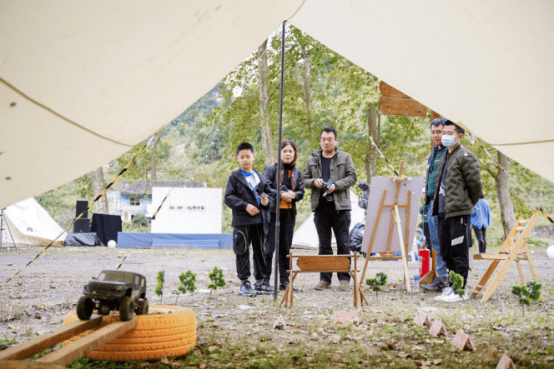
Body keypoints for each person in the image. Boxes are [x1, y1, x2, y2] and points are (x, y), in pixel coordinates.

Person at [432, 121, 482, 302]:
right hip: (442, 211)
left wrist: (466, 204)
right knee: (445, 251)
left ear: (459, 136)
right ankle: (452, 286)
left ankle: (461, 289)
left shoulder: (466, 156)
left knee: (458, 251)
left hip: (459, 212)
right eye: (443, 132)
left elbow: (476, 186)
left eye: (449, 132)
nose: (444, 135)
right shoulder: (444, 156)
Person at [303, 126, 357, 291]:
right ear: (320, 141)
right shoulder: (312, 159)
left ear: (335, 140)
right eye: (324, 139)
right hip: (320, 207)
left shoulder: (345, 157)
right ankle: (325, 279)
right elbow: (304, 180)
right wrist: (314, 182)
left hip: (341, 207)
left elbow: (352, 177)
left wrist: (336, 185)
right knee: (324, 244)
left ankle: (344, 279)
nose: (326, 142)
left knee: (343, 243)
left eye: (330, 139)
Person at [224, 142, 274, 297]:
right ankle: (244, 283)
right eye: (242, 157)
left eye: (248, 156)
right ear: (237, 158)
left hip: (260, 221)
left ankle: (260, 282)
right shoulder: (234, 177)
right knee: (242, 250)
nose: (245, 160)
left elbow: (269, 196)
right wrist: (245, 205)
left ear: (254, 157)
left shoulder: (261, 178)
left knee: (260, 251)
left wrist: (266, 202)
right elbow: (228, 197)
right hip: (242, 221)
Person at [263, 140, 304, 291]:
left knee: (285, 249)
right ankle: (265, 281)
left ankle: (284, 282)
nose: (288, 154)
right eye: (285, 151)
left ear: (294, 154)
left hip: (289, 215)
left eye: (290, 151)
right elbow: (265, 186)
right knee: (269, 248)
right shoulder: (271, 169)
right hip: (273, 214)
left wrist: (294, 195)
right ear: (280, 153)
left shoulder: (297, 172)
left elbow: (301, 191)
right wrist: (280, 195)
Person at [420, 118, 450, 293]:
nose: (435, 135)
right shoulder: (433, 154)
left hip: (444, 204)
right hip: (431, 203)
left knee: (445, 242)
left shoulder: (449, 153)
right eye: (433, 132)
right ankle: (441, 278)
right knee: (435, 243)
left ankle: (448, 279)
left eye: (439, 132)